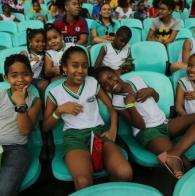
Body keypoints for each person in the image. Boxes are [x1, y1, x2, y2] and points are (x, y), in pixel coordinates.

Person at [43, 46, 133, 190]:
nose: (80, 70)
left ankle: (109, 190)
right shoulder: (55, 92)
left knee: (125, 173)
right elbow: (46, 127)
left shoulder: (92, 82)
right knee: (83, 182)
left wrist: (113, 129)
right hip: (74, 138)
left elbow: (111, 107)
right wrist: (59, 111)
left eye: (84, 66)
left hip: (99, 133)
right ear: (64, 67)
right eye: (75, 65)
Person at [95, 66, 195, 179]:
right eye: (104, 84)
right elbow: (140, 125)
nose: (110, 84)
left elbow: (156, 98)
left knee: (177, 156)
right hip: (148, 133)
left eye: (110, 77)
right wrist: (130, 105)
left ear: (117, 73)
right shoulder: (117, 102)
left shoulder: (137, 80)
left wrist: (151, 91)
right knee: (182, 163)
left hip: (165, 123)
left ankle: (175, 152)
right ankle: (184, 184)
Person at [0, 54, 41, 196]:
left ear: (31, 75)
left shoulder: (35, 101)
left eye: (25, 74)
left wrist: (21, 104)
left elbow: (25, 131)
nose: (20, 80)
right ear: (6, 78)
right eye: (14, 75)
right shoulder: (1, 95)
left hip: (17, 150)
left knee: (4, 190)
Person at [21, 28, 48, 98]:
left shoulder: (46, 54)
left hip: (40, 78)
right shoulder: (25, 53)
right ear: (30, 41)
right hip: (28, 78)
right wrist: (30, 60)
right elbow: (19, 67)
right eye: (37, 41)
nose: (41, 44)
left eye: (43, 41)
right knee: (44, 84)